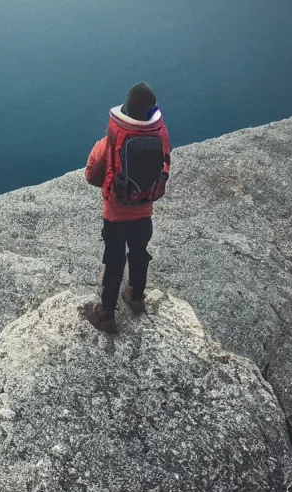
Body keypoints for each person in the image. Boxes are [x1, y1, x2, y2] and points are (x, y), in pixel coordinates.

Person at [83, 82, 171, 333]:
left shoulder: (111, 141)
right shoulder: (160, 137)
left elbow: (91, 174)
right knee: (139, 253)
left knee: (114, 259)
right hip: (144, 212)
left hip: (115, 214)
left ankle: (106, 315)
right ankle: (136, 295)